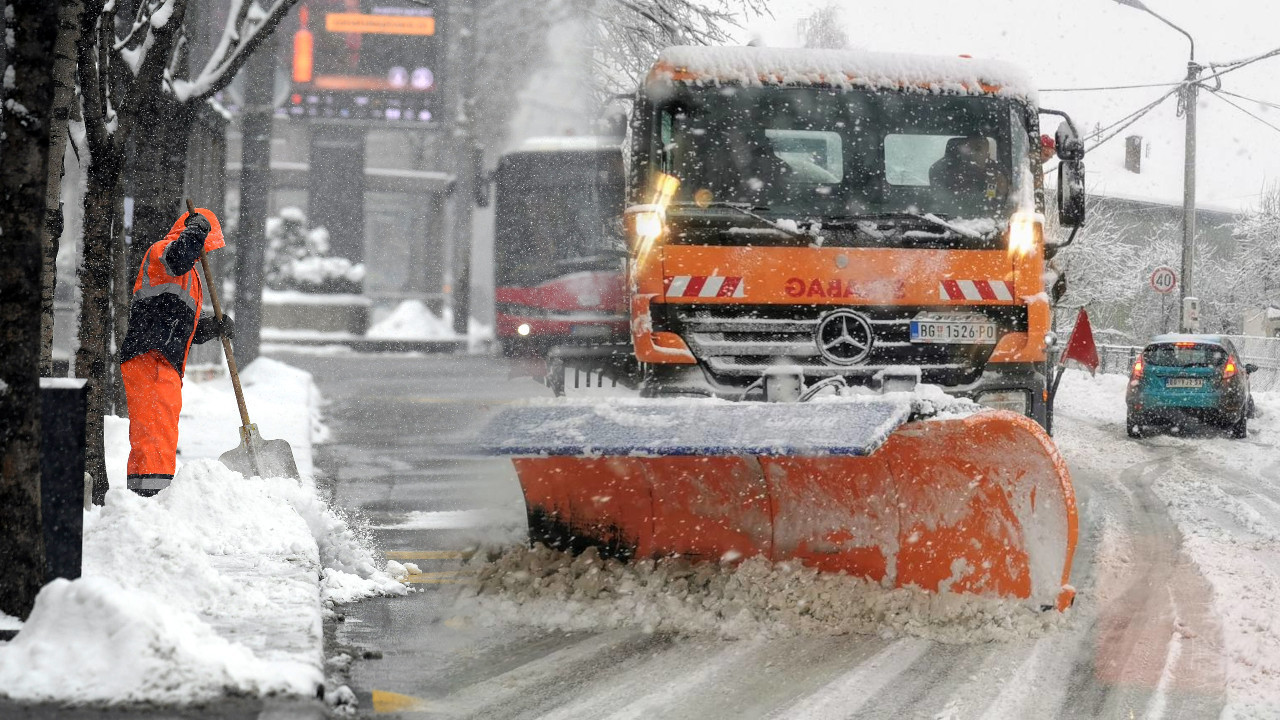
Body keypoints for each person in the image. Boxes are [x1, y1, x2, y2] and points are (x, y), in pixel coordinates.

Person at [119, 207, 233, 496]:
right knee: (153, 434)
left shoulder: (191, 278)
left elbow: (183, 329)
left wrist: (212, 328)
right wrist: (195, 232)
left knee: (162, 433)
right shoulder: (162, 252)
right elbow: (177, 257)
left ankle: (152, 495)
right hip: (150, 356)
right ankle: (149, 498)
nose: (205, 253)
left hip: (165, 361)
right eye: (205, 245)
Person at [929, 135, 1009, 206]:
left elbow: (995, 204)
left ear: (987, 154)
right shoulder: (948, 171)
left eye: (978, 149)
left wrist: (992, 183)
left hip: (987, 219)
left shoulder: (996, 171)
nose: (972, 153)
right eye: (968, 149)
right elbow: (948, 201)